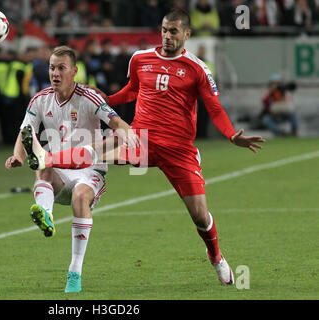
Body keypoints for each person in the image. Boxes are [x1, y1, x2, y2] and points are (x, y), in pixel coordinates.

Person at [21, 9, 265, 286]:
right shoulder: (140, 58)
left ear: (187, 34)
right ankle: (44, 158)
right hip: (142, 139)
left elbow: (214, 107)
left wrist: (232, 135)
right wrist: (109, 99)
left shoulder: (197, 68)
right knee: (98, 147)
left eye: (173, 31)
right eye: (164, 30)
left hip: (178, 149)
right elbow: (133, 89)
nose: (167, 36)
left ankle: (216, 257)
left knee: (199, 215)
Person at [5, 46, 137, 293]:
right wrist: (17, 156)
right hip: (60, 170)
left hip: (90, 171)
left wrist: (125, 130)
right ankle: (46, 215)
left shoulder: (89, 97)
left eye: (61, 68)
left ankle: (74, 273)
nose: (55, 73)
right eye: (52, 67)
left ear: (74, 71)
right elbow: (26, 132)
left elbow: (115, 121)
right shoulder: (40, 99)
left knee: (77, 196)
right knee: (43, 167)